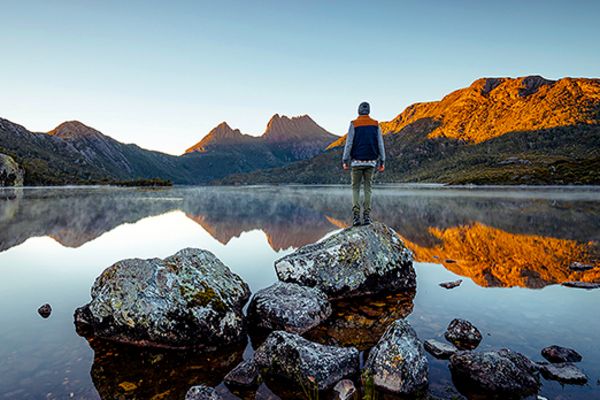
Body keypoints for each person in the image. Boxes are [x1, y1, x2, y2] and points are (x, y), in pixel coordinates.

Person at [342, 101, 385, 226]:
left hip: (356, 162)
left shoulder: (354, 124)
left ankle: (356, 217)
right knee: (368, 189)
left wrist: (345, 160)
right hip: (371, 162)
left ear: (358, 111)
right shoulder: (376, 125)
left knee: (355, 189)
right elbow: (380, 144)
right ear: (369, 111)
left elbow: (349, 143)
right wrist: (382, 161)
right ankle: (366, 217)